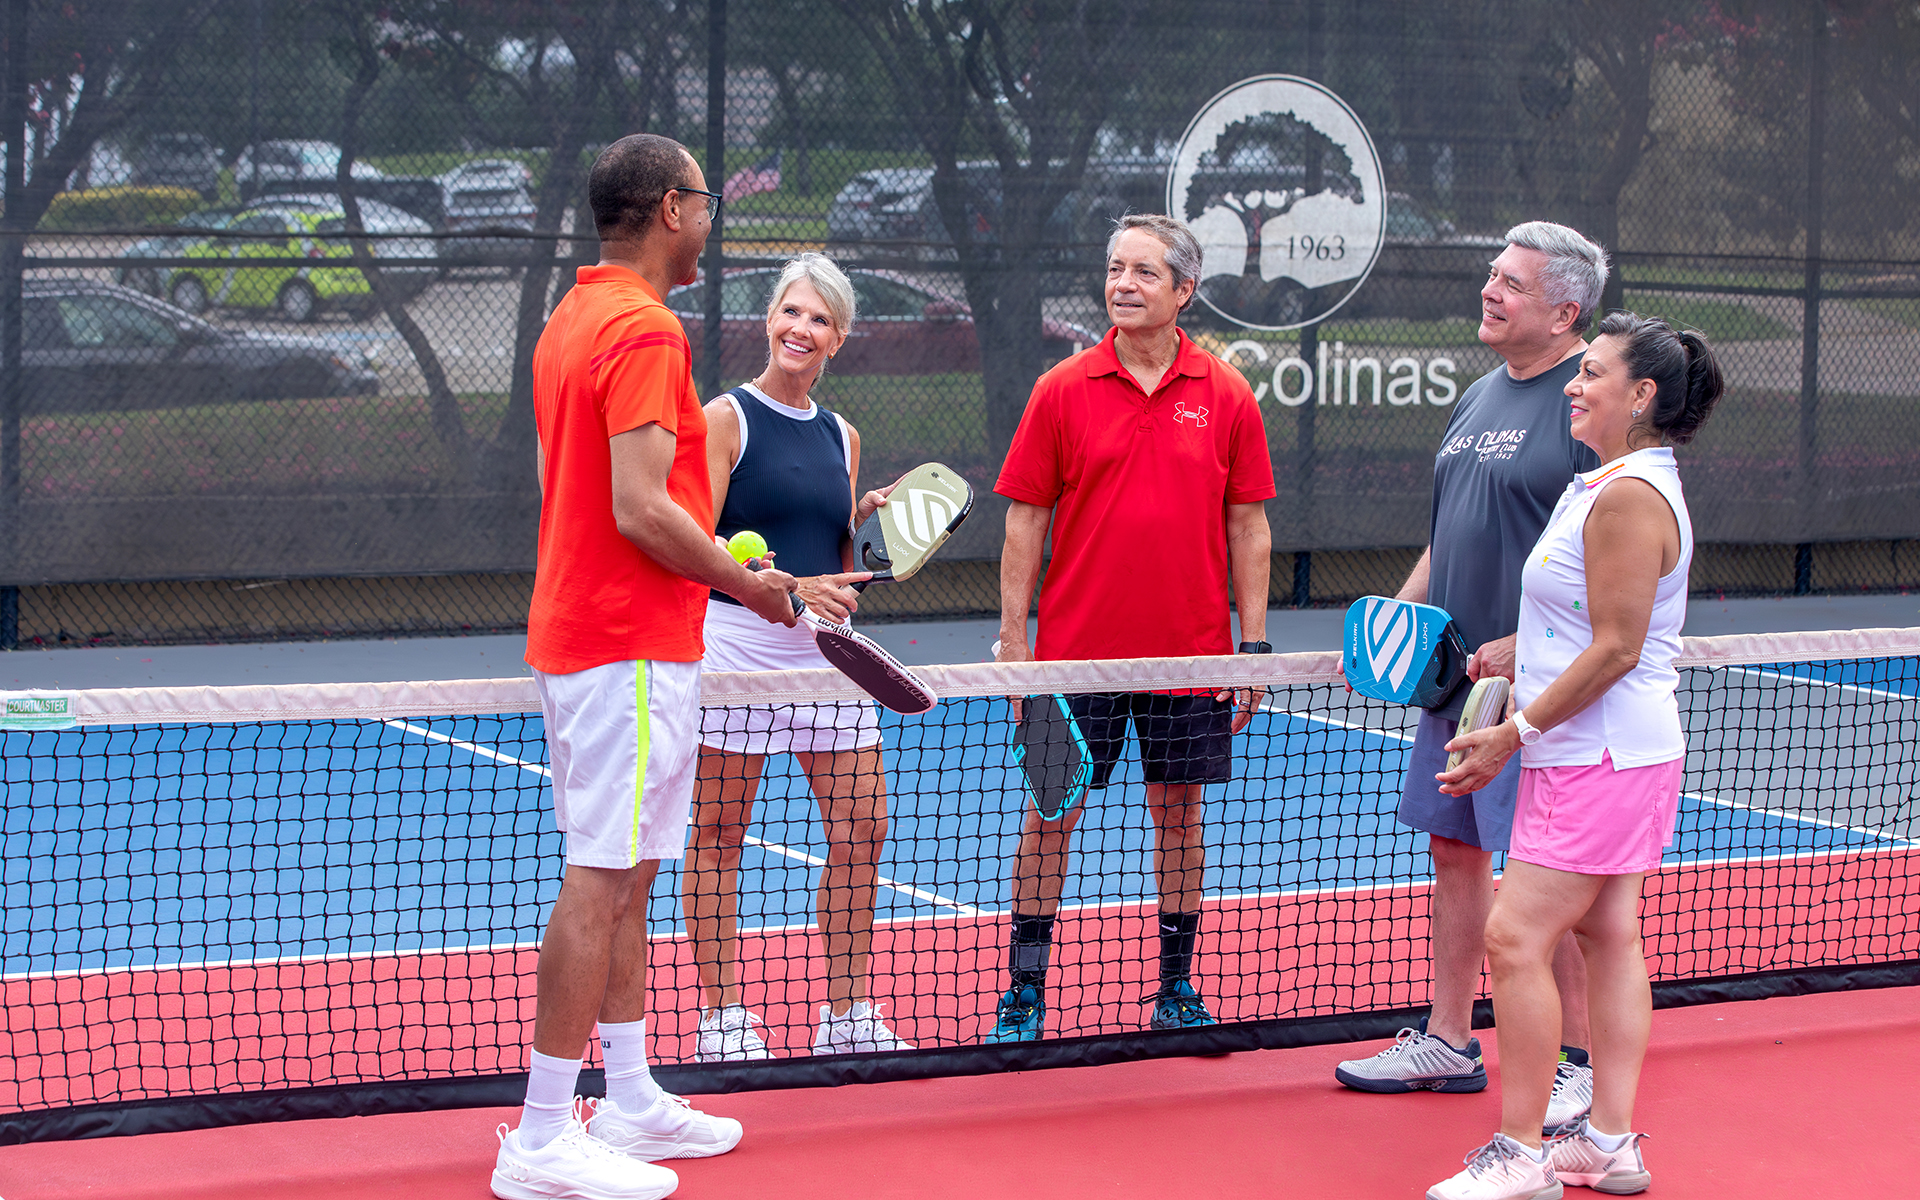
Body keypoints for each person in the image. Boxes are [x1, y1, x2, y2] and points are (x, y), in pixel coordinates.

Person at [491, 133, 800, 1200]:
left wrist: (712, 566)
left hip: (619, 637)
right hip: (620, 644)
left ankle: (626, 1098)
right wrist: (746, 583)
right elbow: (637, 507)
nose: (712, 221)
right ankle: (541, 1137)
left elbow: (568, 487)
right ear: (672, 209)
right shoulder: (644, 327)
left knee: (629, 875)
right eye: (706, 202)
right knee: (599, 877)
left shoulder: (569, 321)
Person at [1423, 312, 1724, 1200]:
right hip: (1611, 754)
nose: (1575, 385)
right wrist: (1524, 654)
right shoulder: (1606, 485)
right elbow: (1592, 625)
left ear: (1642, 395)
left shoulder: (1628, 497)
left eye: (1592, 372)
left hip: (1597, 758)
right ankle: (1608, 1145)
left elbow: (1619, 646)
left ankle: (1521, 1155)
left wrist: (1513, 734)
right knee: (1608, 935)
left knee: (1514, 937)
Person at [1334, 222, 1607, 1129]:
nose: (1490, 291)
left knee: (1543, 879)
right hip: (1453, 684)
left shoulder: (1588, 403)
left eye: (1513, 283)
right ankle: (1449, 1041)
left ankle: (1576, 1062)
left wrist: (1534, 642)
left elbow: (1617, 551)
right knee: (1454, 853)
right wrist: (1392, 619)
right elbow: (1448, 531)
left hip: (1540, 694)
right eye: (1492, 274)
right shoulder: (1479, 395)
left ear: (1564, 312)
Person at [984, 213, 1276, 1042]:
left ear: (1184, 291)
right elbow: (1024, 521)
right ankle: (1024, 990)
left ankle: (1176, 987)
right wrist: (1015, 644)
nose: (1123, 284)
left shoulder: (1227, 393)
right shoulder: (1061, 388)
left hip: (1191, 659)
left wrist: (1251, 649)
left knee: (1179, 814)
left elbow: (1249, 526)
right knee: (1049, 813)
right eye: (1116, 268)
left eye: (1144, 272)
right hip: (1071, 661)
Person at [682, 252, 914, 1060]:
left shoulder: (842, 434)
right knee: (720, 832)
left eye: (819, 319)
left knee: (863, 830)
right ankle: (721, 1018)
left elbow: (833, 556)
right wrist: (777, 586)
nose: (801, 328)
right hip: (736, 646)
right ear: (769, 318)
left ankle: (845, 1013)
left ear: (838, 338)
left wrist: (865, 524)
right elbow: (695, 539)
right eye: (791, 311)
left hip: (825, 653)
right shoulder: (725, 419)